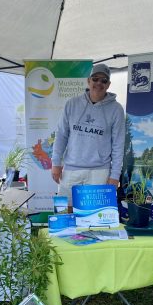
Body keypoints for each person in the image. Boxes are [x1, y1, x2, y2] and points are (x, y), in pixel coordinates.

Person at [51, 63, 125, 205]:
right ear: (88, 81)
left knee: (95, 217)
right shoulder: (72, 104)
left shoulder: (116, 110)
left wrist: (115, 176)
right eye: (95, 79)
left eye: (103, 80)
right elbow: (61, 135)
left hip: (99, 172)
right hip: (71, 170)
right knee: (65, 212)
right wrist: (56, 163)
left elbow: (118, 145)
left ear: (108, 85)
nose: (99, 83)